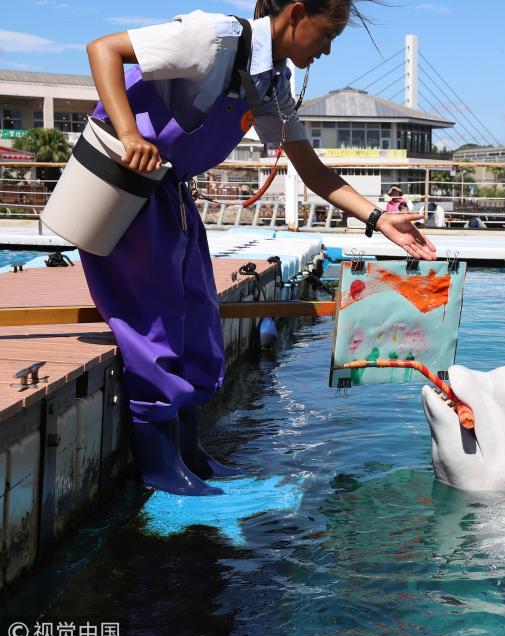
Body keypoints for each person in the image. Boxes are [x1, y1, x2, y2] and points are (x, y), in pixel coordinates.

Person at [82, 0, 437, 496]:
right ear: (295, 14)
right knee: (154, 323)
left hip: (169, 195)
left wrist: (380, 219)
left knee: (199, 316)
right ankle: (161, 467)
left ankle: (190, 454)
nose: (327, 50)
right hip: (128, 188)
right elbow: (104, 48)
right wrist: (127, 133)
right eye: (326, 34)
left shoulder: (272, 82)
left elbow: (311, 170)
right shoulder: (213, 37)